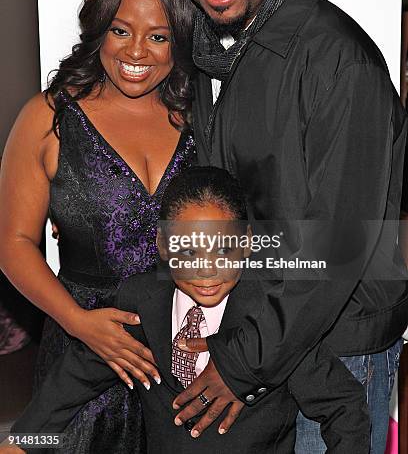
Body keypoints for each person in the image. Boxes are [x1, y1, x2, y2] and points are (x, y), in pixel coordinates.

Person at [169, 0, 408, 453]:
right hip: (271, 337)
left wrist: (241, 361)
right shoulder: (223, 50)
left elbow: (339, 241)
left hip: (339, 347)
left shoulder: (337, 60)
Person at [5, 167, 370, 453]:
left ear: (245, 245)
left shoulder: (270, 318)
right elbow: (75, 380)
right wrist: (23, 442)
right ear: (163, 246)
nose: (207, 269)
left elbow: (343, 406)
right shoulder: (142, 303)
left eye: (223, 250)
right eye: (190, 251)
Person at [0, 0, 196, 453]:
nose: (138, 51)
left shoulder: (200, 120)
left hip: (178, 356)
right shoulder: (49, 117)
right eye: (121, 30)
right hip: (80, 351)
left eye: (159, 36)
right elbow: (14, 242)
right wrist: (77, 321)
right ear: (99, 30)